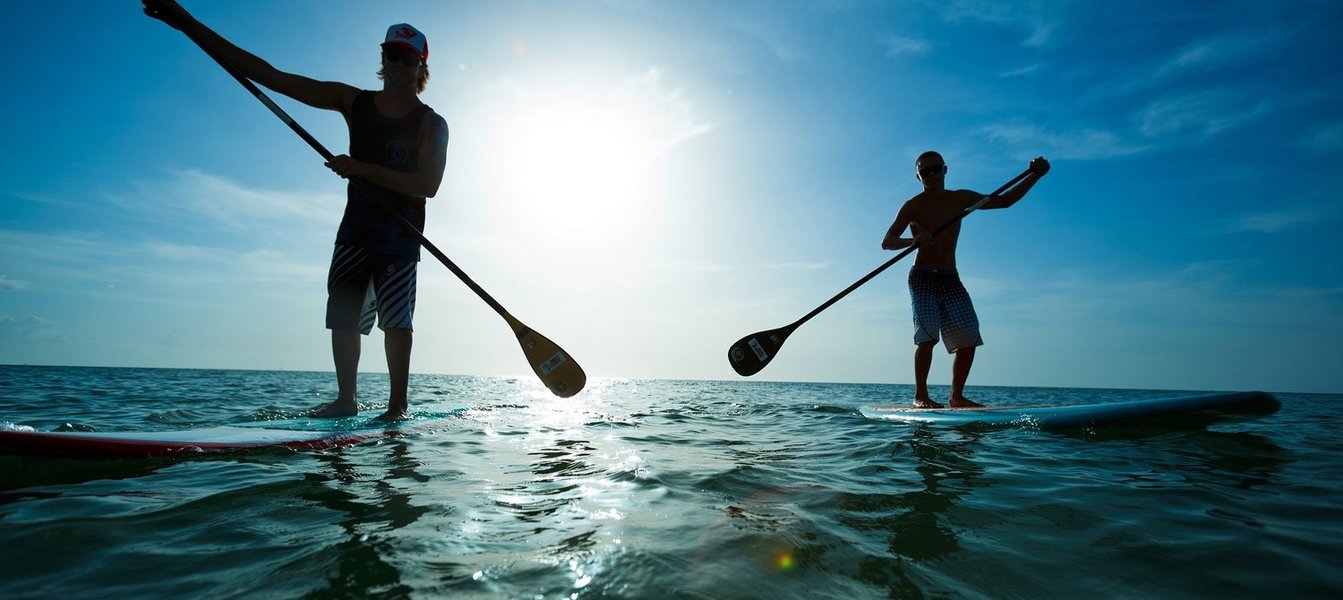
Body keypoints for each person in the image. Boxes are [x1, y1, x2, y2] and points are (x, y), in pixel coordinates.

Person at [144, 1, 450, 420]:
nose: (396, 63)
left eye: (407, 58)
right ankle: (346, 401)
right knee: (342, 314)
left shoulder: (432, 124)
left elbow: (427, 185)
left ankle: (397, 406)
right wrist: (186, 23)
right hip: (355, 232)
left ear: (421, 67)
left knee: (396, 320)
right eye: (390, 55)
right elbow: (271, 76)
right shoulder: (352, 100)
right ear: (382, 58)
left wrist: (360, 168)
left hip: (400, 236)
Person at [881, 152, 1049, 408]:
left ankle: (956, 397)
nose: (932, 175)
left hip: (950, 277)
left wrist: (1035, 176)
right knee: (928, 337)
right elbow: (887, 242)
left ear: (945, 170)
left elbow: (1005, 201)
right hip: (923, 275)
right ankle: (921, 396)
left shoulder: (961, 198)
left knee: (968, 337)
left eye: (935, 168)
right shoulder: (912, 206)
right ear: (918, 177)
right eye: (925, 172)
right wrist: (912, 241)